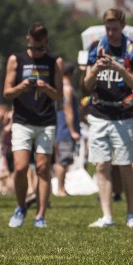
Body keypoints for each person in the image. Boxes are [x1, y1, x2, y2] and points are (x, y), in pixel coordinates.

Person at [83, 9, 133, 229]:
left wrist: (120, 68)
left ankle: (131, 214)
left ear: (122, 27)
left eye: (115, 29)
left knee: (125, 166)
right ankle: (107, 216)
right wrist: (94, 71)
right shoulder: (96, 49)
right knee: (101, 166)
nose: (111, 33)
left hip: (123, 115)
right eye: (108, 29)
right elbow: (86, 85)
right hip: (99, 113)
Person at [4, 22, 63, 229]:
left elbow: (59, 95)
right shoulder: (16, 60)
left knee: (43, 168)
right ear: (27, 39)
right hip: (22, 120)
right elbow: (7, 92)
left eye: (42, 47)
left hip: (46, 120)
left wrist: (46, 87)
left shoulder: (54, 61)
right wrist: (22, 86)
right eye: (35, 47)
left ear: (46, 42)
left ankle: (40, 215)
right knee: (20, 168)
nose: (38, 51)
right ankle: (21, 207)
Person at [53, 60, 81, 197]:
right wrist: (72, 131)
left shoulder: (61, 87)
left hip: (62, 129)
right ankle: (60, 189)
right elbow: (68, 110)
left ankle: (62, 187)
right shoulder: (67, 88)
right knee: (62, 160)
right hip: (64, 130)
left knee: (64, 160)